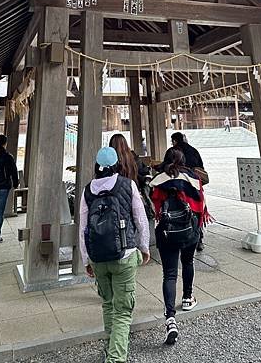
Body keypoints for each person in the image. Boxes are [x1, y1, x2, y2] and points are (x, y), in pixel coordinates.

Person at [79, 146, 150, 363]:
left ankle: (111, 345)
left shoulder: (87, 191)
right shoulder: (127, 185)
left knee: (108, 303)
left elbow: (83, 228)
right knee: (123, 311)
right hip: (125, 254)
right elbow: (140, 219)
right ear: (118, 165)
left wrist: (86, 259)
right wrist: (144, 248)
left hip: (99, 258)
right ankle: (116, 357)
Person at [150, 147, 211, 345]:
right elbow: (200, 205)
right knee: (188, 262)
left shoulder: (159, 180)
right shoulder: (192, 178)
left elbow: (156, 209)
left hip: (167, 233)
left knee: (169, 274)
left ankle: (170, 318)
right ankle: (187, 297)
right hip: (189, 230)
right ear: (183, 160)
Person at [161, 132, 206, 251]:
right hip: (194, 185)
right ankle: (198, 238)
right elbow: (201, 167)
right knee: (196, 211)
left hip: (177, 187)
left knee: (178, 212)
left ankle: (178, 233)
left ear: (174, 141)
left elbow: (165, 166)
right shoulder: (193, 150)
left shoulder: (172, 151)